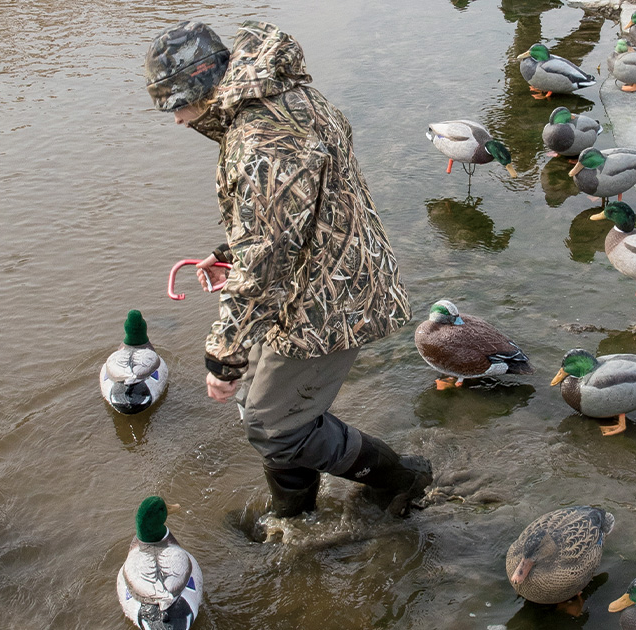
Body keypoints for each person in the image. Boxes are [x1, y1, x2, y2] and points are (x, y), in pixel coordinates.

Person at [144, 20, 430, 518]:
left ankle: (400, 479)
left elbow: (265, 261)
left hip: (328, 299)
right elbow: (295, 210)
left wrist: (224, 354)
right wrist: (230, 249)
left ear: (203, 88)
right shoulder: (288, 95)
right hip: (330, 273)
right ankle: (294, 517)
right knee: (269, 413)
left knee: (274, 427)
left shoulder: (260, 139)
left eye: (177, 105)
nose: (178, 120)